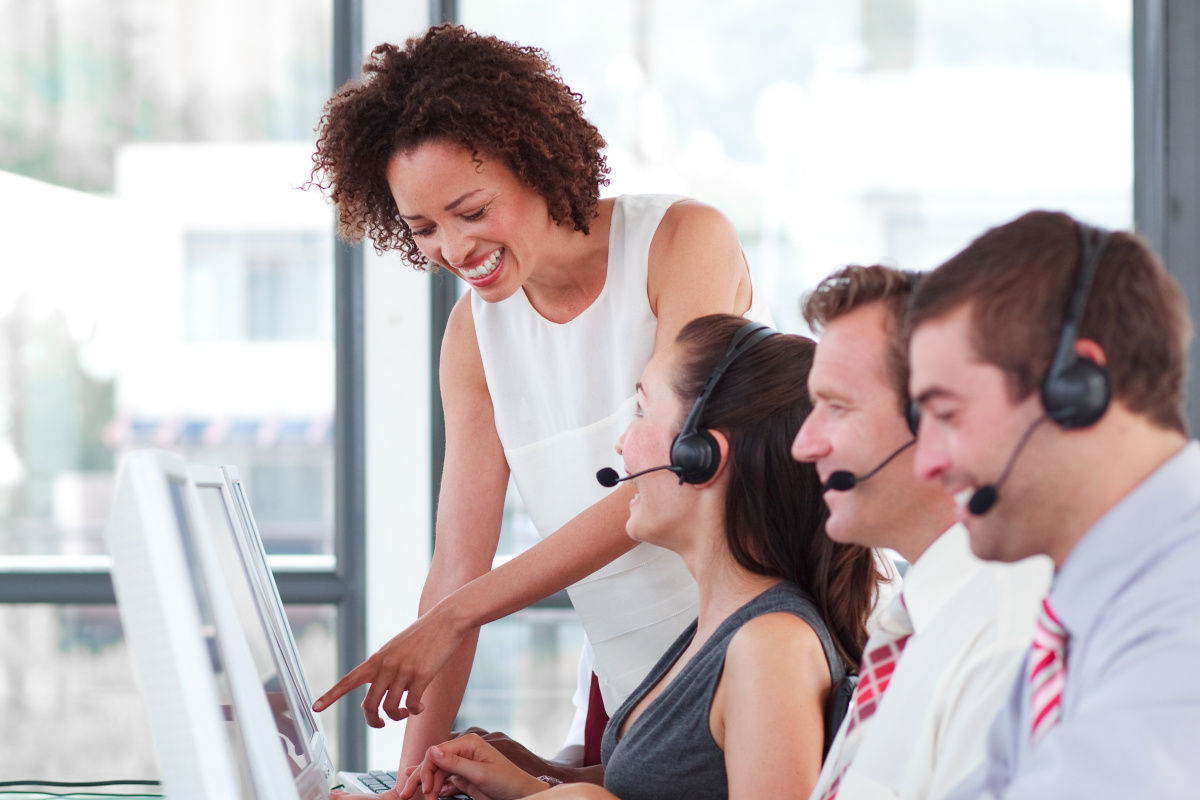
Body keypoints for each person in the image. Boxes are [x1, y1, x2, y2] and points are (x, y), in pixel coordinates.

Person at [306, 24, 773, 775]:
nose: (454, 249)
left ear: (534, 161)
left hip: (761, 656)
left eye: (471, 210)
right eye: (422, 228)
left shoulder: (682, 243)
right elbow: (457, 564)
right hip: (637, 693)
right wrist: (407, 782)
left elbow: (668, 478)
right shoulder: (474, 337)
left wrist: (458, 615)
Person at [397, 314, 884, 800]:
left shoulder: (770, 645)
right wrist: (534, 785)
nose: (622, 443)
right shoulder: (720, 626)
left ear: (701, 456)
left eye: (641, 411)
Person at [906, 211, 1200, 797]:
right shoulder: (1081, 603)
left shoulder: (1182, 602)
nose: (926, 464)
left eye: (946, 414)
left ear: (1076, 388)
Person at [791, 265, 1052, 800]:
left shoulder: (1005, 641)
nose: (804, 444)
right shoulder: (916, 623)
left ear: (939, 418)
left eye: (836, 407)